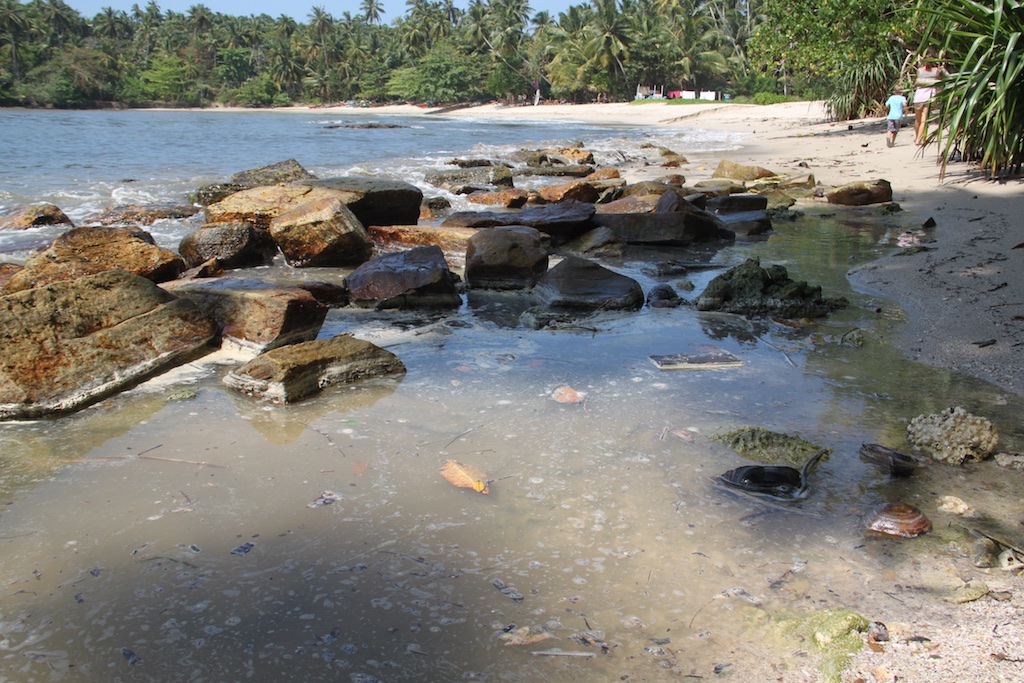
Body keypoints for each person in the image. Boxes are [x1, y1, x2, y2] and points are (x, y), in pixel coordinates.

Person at [913, 51, 946, 145]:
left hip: (918, 96)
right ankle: (918, 140)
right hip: (929, 96)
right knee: (924, 119)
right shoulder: (936, 71)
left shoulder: (919, 70)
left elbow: (917, 82)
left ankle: (917, 138)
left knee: (918, 119)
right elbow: (939, 81)